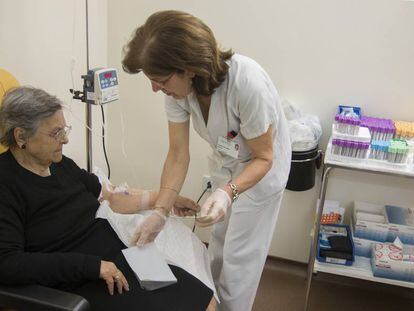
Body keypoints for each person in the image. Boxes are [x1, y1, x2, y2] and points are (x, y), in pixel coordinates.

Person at [122, 10, 292, 311]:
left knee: (239, 261)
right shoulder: (177, 91)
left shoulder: (246, 82)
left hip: (260, 177)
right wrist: (160, 211)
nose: (155, 89)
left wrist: (228, 193)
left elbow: (265, 157)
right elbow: (177, 153)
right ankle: (209, 305)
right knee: (216, 249)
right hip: (228, 166)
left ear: (189, 68)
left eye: (160, 81)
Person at [0, 86, 215, 311]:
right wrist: (92, 267)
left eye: (65, 130)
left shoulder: (60, 164)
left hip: (121, 255)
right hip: (82, 278)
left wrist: (164, 199)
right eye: (56, 133)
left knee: (203, 299)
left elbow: (111, 197)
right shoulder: (6, 184)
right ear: (21, 135)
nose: (64, 140)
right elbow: (8, 263)